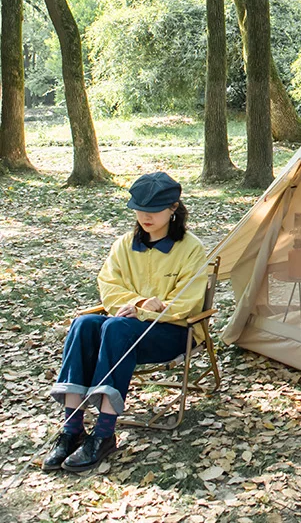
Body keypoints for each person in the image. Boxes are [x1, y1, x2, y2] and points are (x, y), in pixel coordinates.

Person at [44, 171, 208, 472]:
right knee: (84, 324)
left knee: (115, 327)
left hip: (173, 331)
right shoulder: (123, 245)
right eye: (139, 208)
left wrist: (146, 311)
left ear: (173, 208)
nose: (145, 215)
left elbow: (187, 303)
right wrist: (140, 303)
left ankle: (104, 434)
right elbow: (109, 287)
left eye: (154, 209)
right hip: (121, 330)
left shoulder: (191, 249)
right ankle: (72, 429)